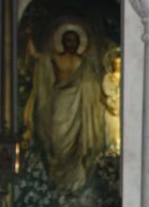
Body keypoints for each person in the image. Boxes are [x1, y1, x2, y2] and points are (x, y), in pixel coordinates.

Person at [23, 26, 104, 192]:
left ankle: (75, 185)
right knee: (57, 141)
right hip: (59, 102)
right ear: (62, 42)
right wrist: (29, 35)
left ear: (79, 43)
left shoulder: (84, 64)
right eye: (68, 40)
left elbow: (94, 86)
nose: (71, 43)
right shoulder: (55, 59)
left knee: (77, 145)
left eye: (74, 40)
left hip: (77, 106)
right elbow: (36, 56)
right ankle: (56, 182)